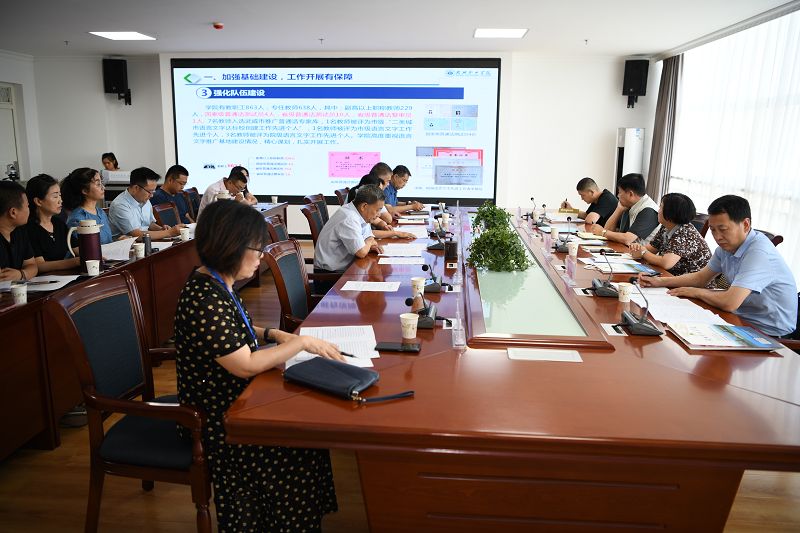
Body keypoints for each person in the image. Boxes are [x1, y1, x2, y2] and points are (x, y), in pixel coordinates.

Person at [174, 199, 342, 532]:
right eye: (257, 249)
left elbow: (239, 328)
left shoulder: (218, 281)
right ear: (230, 247)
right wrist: (300, 343)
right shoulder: (204, 298)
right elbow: (245, 365)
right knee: (293, 443)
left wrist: (273, 334)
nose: (261, 256)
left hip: (239, 397)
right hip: (216, 416)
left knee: (307, 432)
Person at [639, 195, 797, 337]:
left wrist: (696, 292)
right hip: (738, 318)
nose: (717, 237)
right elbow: (700, 278)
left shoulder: (759, 252)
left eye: (723, 229)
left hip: (769, 332)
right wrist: (660, 281)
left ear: (745, 225)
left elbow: (730, 302)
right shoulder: (726, 248)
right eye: (713, 230)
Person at [314, 184, 385, 292]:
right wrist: (369, 243)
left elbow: (369, 238)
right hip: (330, 277)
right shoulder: (349, 217)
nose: (379, 214)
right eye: (377, 210)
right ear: (364, 206)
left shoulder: (360, 214)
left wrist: (369, 243)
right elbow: (361, 252)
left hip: (344, 271)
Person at [629, 193, 711, 277]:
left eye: (661, 207)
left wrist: (643, 252)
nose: (658, 211)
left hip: (690, 281)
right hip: (671, 276)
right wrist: (637, 248)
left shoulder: (685, 233)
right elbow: (651, 249)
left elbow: (666, 263)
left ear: (670, 213)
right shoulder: (666, 226)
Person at [25, 174, 80, 273]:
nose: (60, 201)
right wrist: (75, 262)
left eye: (60, 195)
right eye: (55, 196)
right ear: (38, 201)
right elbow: (39, 265)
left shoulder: (59, 224)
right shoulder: (29, 228)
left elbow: (78, 249)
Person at [108, 167, 183, 240]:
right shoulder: (120, 205)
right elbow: (136, 235)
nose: (152, 195)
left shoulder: (145, 199)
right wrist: (169, 232)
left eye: (153, 191)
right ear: (136, 188)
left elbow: (149, 224)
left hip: (145, 241)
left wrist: (161, 229)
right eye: (150, 191)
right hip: (128, 245)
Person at [588, 173, 660, 245]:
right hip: (628, 249)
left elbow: (627, 239)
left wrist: (602, 232)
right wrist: (618, 210)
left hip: (642, 251)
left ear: (630, 194)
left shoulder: (649, 210)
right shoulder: (630, 205)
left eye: (619, 192)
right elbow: (607, 230)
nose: (618, 196)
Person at [346, 173, 414, 239]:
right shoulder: (353, 215)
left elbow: (370, 231)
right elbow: (367, 236)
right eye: (377, 191)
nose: (379, 214)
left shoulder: (365, 212)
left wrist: (384, 226)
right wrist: (395, 233)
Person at [63, 167, 114, 245]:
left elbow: (107, 242)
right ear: (85, 191)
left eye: (102, 183)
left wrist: (119, 241)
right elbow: (85, 249)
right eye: (98, 184)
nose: (103, 187)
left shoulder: (101, 212)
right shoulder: (77, 219)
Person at [0, 181, 38, 281]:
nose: (29, 210)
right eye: (27, 206)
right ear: (13, 212)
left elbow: (32, 265)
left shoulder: (19, 231)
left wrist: (21, 274)